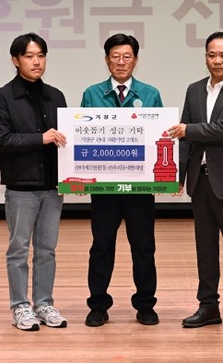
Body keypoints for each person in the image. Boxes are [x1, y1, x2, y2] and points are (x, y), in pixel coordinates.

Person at [167, 31, 223, 333]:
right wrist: (178, 175)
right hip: (200, 180)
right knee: (205, 248)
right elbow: (183, 140)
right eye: (211, 54)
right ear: (205, 57)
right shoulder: (194, 90)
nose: (217, 60)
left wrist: (188, 130)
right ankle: (208, 306)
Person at [0, 32, 69, 331]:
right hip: (21, 187)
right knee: (19, 249)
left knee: (47, 250)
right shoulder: (3, 96)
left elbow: (67, 139)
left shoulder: (56, 96)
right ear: (15, 60)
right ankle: (20, 306)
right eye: (29, 56)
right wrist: (40, 138)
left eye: (41, 56)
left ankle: (44, 303)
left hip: (52, 186)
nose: (37, 62)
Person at [80, 33, 163, 327]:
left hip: (140, 187)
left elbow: (160, 138)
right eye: (115, 56)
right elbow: (81, 138)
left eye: (127, 56)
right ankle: (98, 305)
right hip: (104, 188)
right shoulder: (91, 94)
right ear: (106, 60)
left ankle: (145, 305)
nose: (121, 62)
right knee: (102, 246)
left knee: (144, 247)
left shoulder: (150, 94)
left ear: (136, 60)